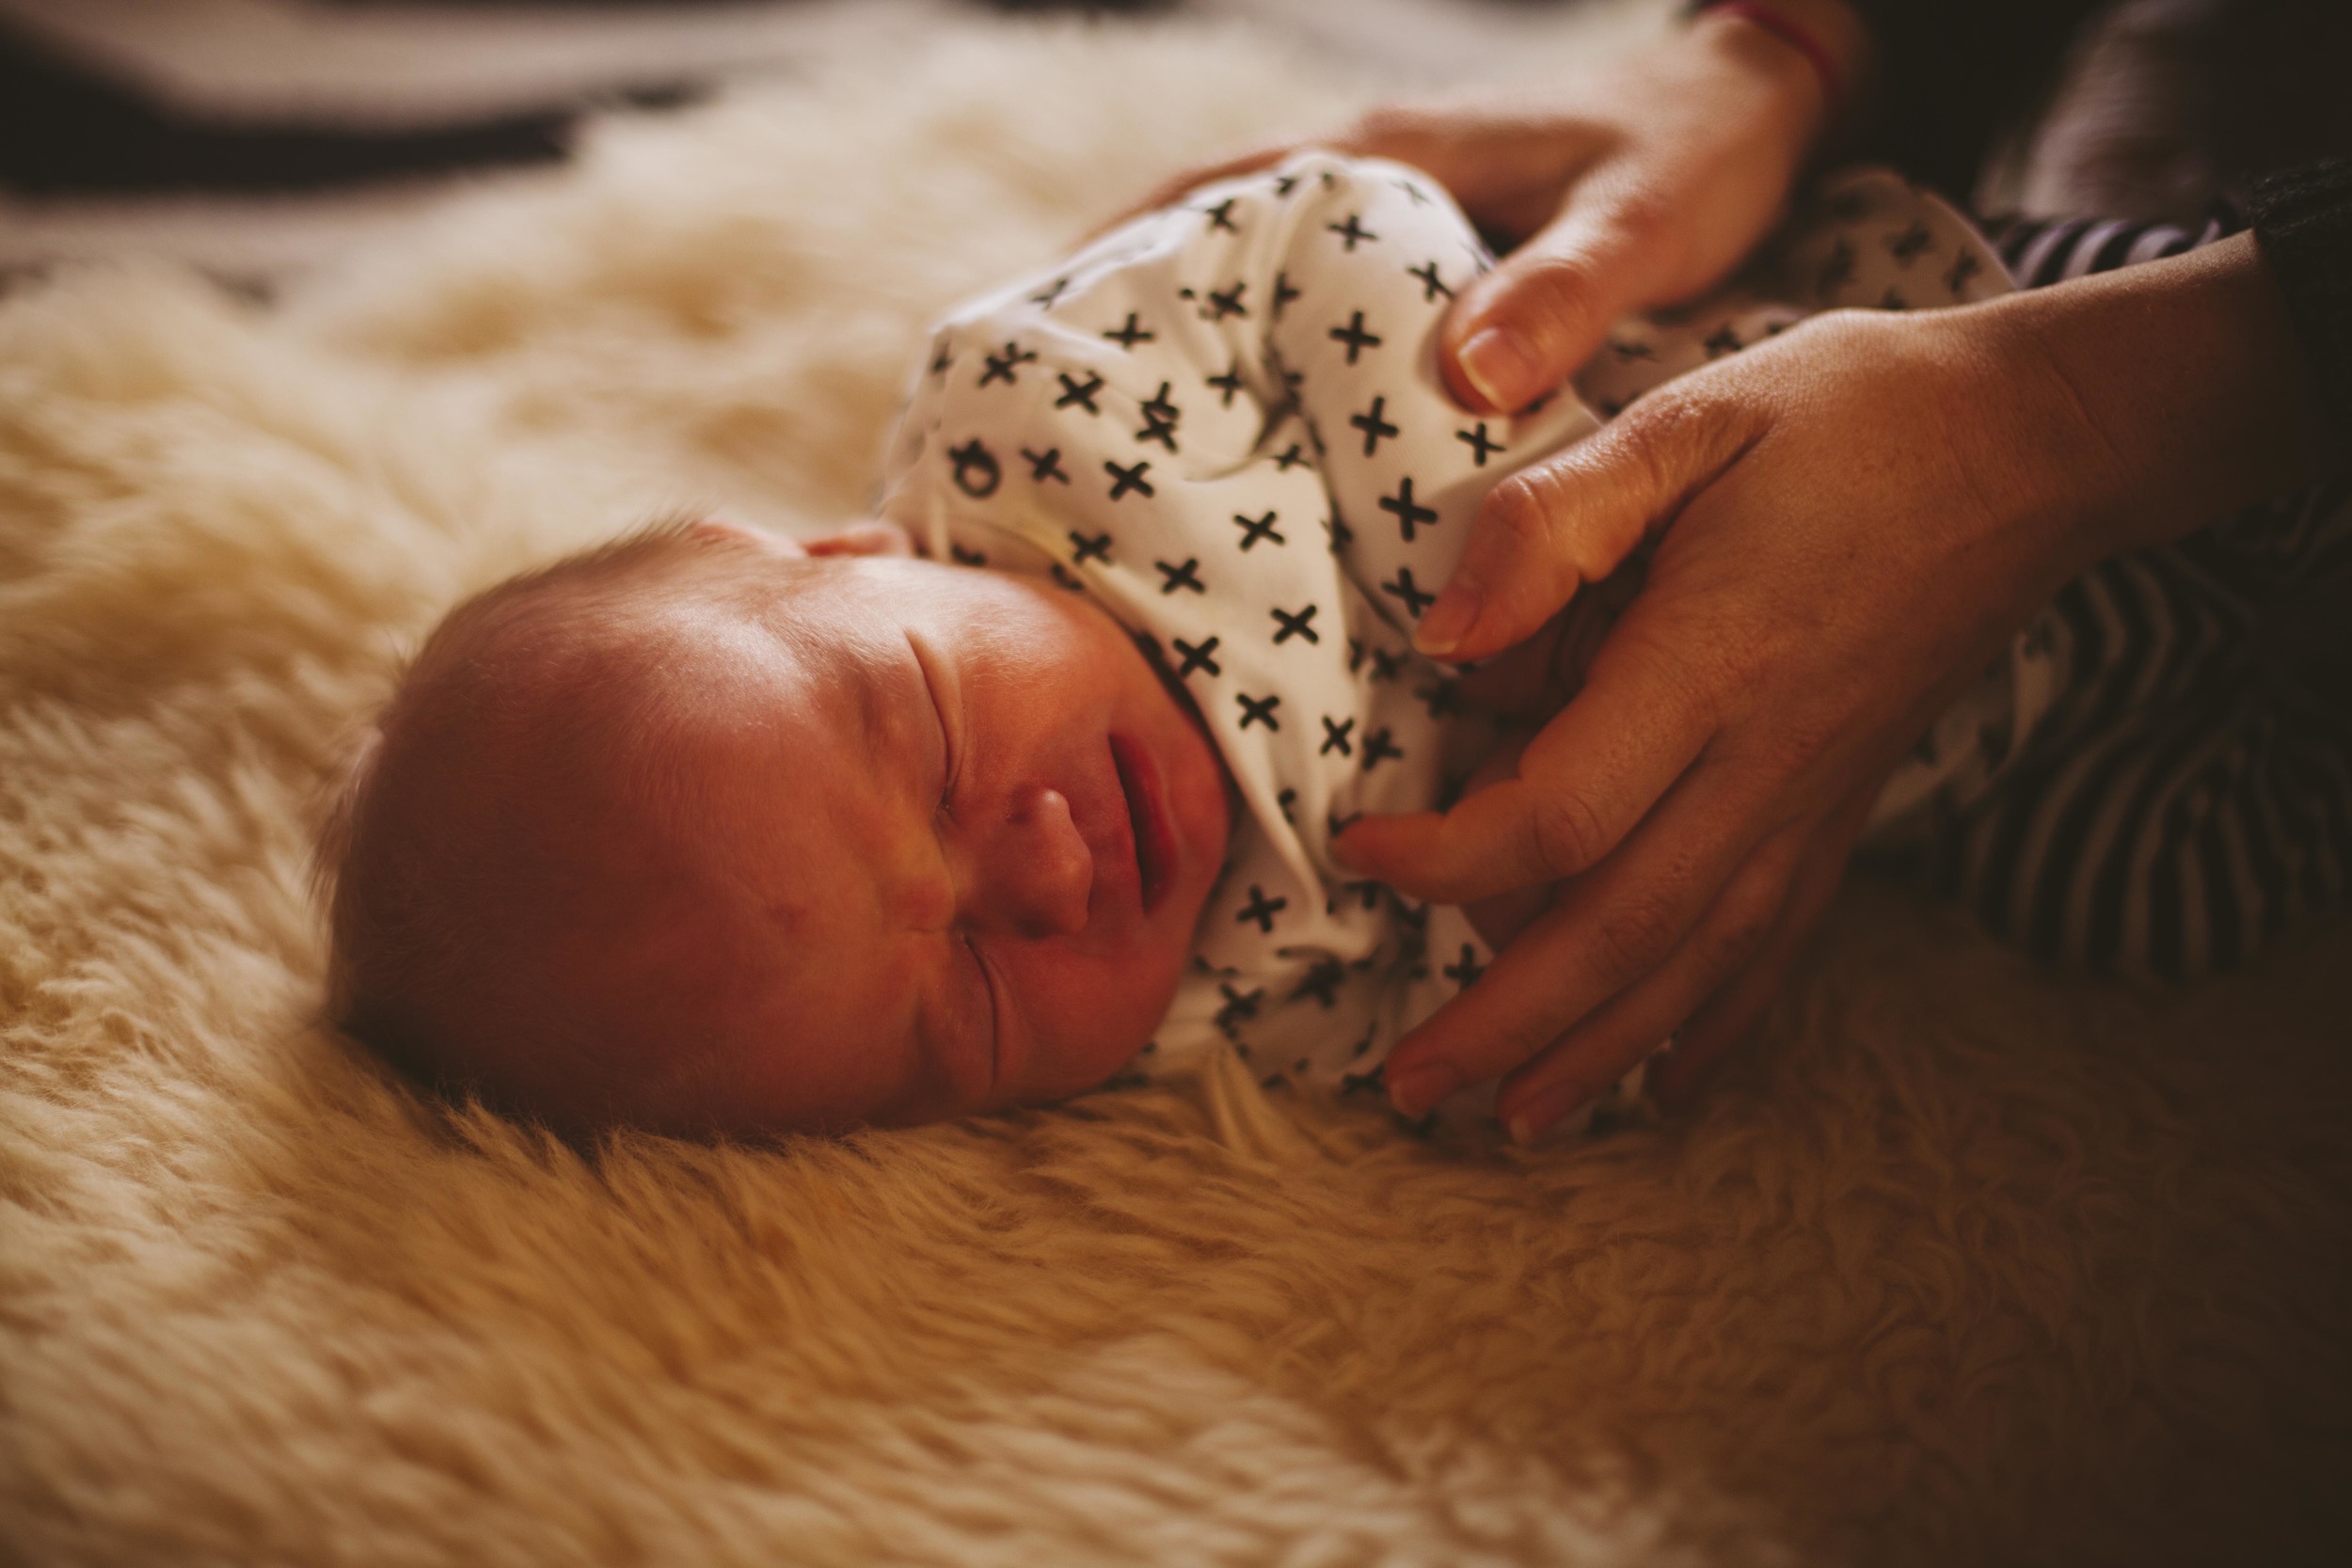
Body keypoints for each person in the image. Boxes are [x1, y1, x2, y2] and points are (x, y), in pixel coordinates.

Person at [1129, 0, 2352, 1143]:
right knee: (2158, 899)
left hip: (1911, 325)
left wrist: (2067, 407)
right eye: (961, 1005)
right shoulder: (1200, 999)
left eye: (933, 749)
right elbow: (1444, 1004)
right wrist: (1514, 948)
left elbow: (1313, 249)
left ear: (922, 557)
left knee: (2138, 232)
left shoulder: (1026, 447)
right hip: (2024, 776)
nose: (1036, 862)